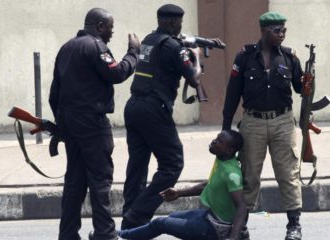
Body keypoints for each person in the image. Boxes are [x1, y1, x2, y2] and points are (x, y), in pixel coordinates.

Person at [48, 8, 140, 240]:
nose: (111, 32)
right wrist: (133, 53)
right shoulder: (95, 46)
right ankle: (105, 233)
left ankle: (68, 234)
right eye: (109, 27)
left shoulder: (67, 47)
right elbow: (117, 73)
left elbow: (54, 92)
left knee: (75, 181)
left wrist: (61, 125)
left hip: (70, 120)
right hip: (91, 121)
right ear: (99, 26)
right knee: (100, 179)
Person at [222, 12, 313, 240]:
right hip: (252, 122)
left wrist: (308, 82)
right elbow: (232, 94)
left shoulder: (290, 57)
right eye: (277, 30)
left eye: (284, 30)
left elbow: (301, 90)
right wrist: (226, 126)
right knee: (250, 175)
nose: (281, 34)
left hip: (283, 121)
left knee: (288, 174)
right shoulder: (244, 57)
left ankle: (294, 226)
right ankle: (242, 226)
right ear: (263, 31)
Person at [120, 4, 204, 230]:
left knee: (137, 165)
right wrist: (196, 57)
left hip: (134, 106)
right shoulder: (173, 46)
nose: (180, 26)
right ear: (173, 22)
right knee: (172, 164)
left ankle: (130, 217)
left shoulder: (150, 39)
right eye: (179, 22)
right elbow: (194, 79)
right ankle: (137, 215)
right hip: (153, 109)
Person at [118, 130, 246, 240]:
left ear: (229, 150)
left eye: (219, 141)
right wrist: (179, 193)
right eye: (216, 138)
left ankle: (121, 235)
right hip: (208, 215)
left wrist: (233, 237)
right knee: (173, 217)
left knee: (161, 223)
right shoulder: (221, 159)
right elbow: (208, 185)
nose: (214, 141)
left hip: (217, 227)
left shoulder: (231, 174)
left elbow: (241, 206)